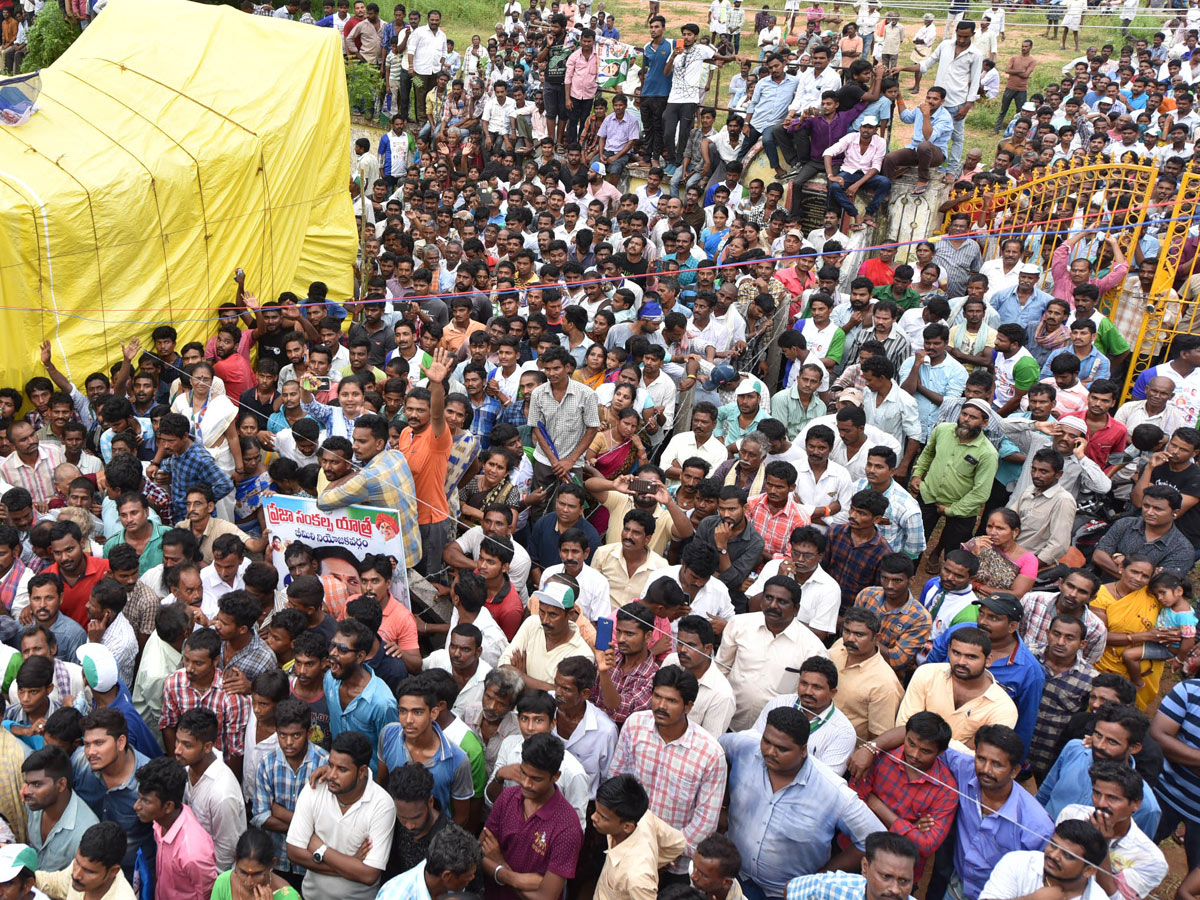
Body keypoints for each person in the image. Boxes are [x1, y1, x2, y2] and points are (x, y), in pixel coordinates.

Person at [720, 706, 885, 898]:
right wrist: (722, 805)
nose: (770, 752)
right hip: (733, 877)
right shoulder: (744, 746)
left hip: (787, 894)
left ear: (803, 750)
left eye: (782, 749)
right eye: (767, 741)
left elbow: (876, 840)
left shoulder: (832, 791)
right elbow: (715, 752)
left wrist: (822, 878)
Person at [608, 666, 727, 878]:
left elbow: (705, 822)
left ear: (688, 706)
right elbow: (617, 783)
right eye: (657, 696)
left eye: (671, 701)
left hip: (674, 866)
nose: (661, 706)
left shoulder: (710, 754)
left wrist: (662, 853)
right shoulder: (634, 725)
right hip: (626, 849)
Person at [284, 732, 395, 900]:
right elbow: (293, 852)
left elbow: (368, 875)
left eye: (342, 769)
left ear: (362, 771)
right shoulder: (315, 788)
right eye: (330, 765)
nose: (331, 775)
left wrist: (321, 850)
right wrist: (350, 863)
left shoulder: (382, 805)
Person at [715, 576, 828, 731]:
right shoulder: (739, 624)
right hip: (728, 721)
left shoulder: (813, 648)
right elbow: (721, 669)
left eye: (782, 601)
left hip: (774, 734)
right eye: (768, 598)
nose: (773, 605)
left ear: (796, 609)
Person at [480, 732, 584, 900]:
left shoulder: (567, 827)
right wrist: (514, 878)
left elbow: (546, 896)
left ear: (556, 777)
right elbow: (480, 853)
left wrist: (498, 866)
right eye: (523, 773)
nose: (526, 784)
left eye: (536, 779)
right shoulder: (507, 797)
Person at [1037, 703, 1161, 836]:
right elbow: (1042, 798)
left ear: (1134, 748)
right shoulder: (1073, 750)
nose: (1100, 745)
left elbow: (1132, 850)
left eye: (1112, 742)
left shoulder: (1146, 806)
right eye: (1098, 735)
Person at [1055, 762, 1169, 900]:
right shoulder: (1072, 814)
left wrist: (1101, 845)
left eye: (1112, 798)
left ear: (1135, 804)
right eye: (1097, 793)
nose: (1101, 803)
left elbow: (1115, 898)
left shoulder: (1150, 860)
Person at [250, 697, 329, 888]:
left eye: (296, 735)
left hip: (311, 862)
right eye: (282, 735)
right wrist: (306, 827)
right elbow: (261, 817)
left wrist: (280, 813)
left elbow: (326, 822)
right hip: (277, 858)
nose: (288, 742)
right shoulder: (267, 764)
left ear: (309, 732)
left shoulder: (324, 764)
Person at [910, 399, 998, 571]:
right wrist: (917, 475)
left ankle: (949, 590)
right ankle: (908, 578)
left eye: (973, 417)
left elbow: (981, 493)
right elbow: (928, 453)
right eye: (964, 414)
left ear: (984, 422)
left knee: (955, 555)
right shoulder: (942, 430)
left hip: (962, 510)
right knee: (914, 544)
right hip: (929, 495)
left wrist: (951, 510)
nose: (966, 419)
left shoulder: (988, 453)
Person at [751, 657, 857, 775]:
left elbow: (826, 780)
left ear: (833, 693)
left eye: (817, 687)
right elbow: (754, 742)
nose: (808, 692)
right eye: (804, 684)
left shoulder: (844, 732)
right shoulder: (778, 703)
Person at [131, 755, 218, 900]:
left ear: (168, 806)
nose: (136, 806)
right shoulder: (159, 821)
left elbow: (206, 894)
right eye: (139, 798)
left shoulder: (193, 853)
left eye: (145, 801)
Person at [173, 708, 247, 872]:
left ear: (207, 747)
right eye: (177, 741)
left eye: (187, 745)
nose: (177, 750)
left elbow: (226, 853)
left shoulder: (222, 793)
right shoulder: (186, 769)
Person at [22, 746, 99, 872]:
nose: (27, 791)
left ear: (61, 784)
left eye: (37, 784)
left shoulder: (85, 832)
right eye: (27, 783)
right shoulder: (33, 805)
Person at [784, 833, 920, 900]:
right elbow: (791, 888)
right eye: (886, 877)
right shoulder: (833, 887)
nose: (895, 889)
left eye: (904, 881)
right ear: (865, 867)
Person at [376, 822, 480, 900]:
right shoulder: (396, 896)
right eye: (468, 876)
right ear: (447, 876)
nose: (472, 878)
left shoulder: (452, 880)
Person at [34, 822, 136, 900]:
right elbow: (56, 884)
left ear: (113, 871)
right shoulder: (80, 869)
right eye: (77, 862)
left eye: (89, 871)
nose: (77, 875)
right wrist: (25, 876)